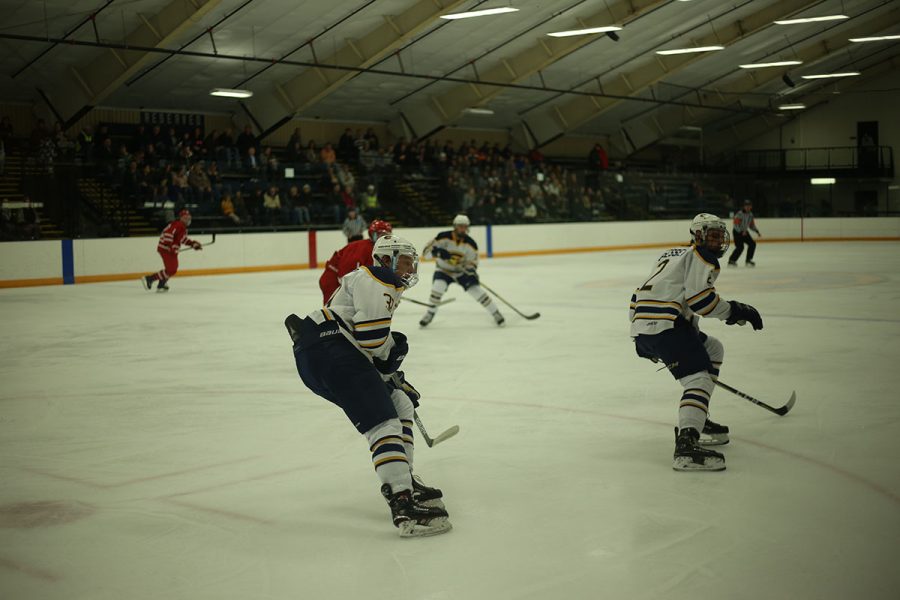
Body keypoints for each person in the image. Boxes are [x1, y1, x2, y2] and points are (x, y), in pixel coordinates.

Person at [284, 235, 451, 537]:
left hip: (329, 352)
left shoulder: (373, 282)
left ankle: (405, 479)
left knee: (399, 402)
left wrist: (392, 378)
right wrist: (393, 355)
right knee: (383, 420)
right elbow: (372, 339)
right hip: (331, 351)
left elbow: (363, 342)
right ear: (386, 259)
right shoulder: (378, 277)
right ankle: (402, 502)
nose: (411, 267)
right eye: (405, 260)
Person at [630, 213, 763, 471]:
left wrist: (639, 334)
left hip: (648, 324)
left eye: (719, 235)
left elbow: (646, 290)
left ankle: (697, 417)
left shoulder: (672, 254)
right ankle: (687, 442)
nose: (718, 240)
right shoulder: (703, 257)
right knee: (698, 379)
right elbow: (701, 301)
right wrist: (736, 311)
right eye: (712, 235)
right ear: (698, 236)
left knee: (713, 348)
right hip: (665, 327)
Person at [419, 214, 504, 327]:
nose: (463, 229)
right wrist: (436, 252)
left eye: (465, 227)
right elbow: (425, 254)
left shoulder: (471, 243)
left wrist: (471, 271)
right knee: (437, 289)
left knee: (477, 291)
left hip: (461, 272)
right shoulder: (442, 237)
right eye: (460, 226)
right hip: (444, 270)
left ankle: (495, 312)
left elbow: (473, 262)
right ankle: (430, 314)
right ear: (455, 226)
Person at [319, 219, 393, 304]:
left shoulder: (378, 250)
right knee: (335, 310)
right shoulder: (362, 248)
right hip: (333, 280)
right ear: (372, 235)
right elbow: (345, 273)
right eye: (378, 235)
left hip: (342, 279)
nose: (381, 239)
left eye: (385, 236)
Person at [140, 209, 202, 292]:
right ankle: (150, 278)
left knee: (172, 269)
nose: (187, 219)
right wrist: (171, 247)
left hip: (169, 249)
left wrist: (193, 244)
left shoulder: (182, 227)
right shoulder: (178, 225)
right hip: (166, 249)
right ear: (181, 218)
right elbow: (168, 234)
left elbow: (183, 239)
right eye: (185, 217)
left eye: (188, 217)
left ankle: (161, 284)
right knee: (172, 269)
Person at [728, 200, 762, 267]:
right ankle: (731, 261)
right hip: (737, 232)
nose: (747, 207)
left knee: (752, 244)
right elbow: (735, 224)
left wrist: (757, 231)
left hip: (745, 232)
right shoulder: (739, 214)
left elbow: (751, 225)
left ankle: (748, 260)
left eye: (749, 206)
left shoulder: (750, 215)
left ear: (751, 207)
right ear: (744, 207)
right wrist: (741, 232)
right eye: (746, 206)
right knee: (740, 247)